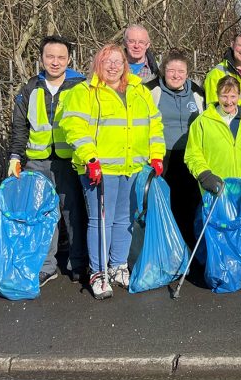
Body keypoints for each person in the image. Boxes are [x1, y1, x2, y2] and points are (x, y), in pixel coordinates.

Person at [61, 43, 165, 299]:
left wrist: (157, 154)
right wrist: (90, 158)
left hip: (131, 167)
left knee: (125, 219)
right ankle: (98, 272)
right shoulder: (85, 92)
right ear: (98, 63)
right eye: (107, 61)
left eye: (118, 61)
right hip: (100, 169)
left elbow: (154, 125)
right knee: (100, 221)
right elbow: (74, 126)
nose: (113, 66)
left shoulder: (138, 91)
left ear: (125, 65)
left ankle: (117, 265)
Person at [7, 35, 88, 285]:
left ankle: (78, 263)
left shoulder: (80, 86)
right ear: (41, 58)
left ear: (69, 59)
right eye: (50, 56)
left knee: (73, 212)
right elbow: (20, 126)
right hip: (37, 162)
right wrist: (15, 156)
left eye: (61, 57)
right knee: (43, 215)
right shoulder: (30, 88)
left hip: (70, 161)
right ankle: (47, 265)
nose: (55, 62)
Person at [146, 48, 205, 246]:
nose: (176, 75)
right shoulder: (151, 90)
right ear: (164, 70)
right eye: (172, 70)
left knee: (190, 203)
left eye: (181, 71)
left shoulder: (197, 93)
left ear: (187, 73)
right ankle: (167, 247)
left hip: (190, 154)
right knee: (165, 202)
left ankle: (190, 247)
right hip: (163, 155)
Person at [185, 75, 241, 195]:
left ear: (239, 96)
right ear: (217, 95)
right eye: (224, 96)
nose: (229, 102)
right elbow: (192, 154)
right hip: (215, 189)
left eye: (233, 96)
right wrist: (204, 175)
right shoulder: (203, 121)